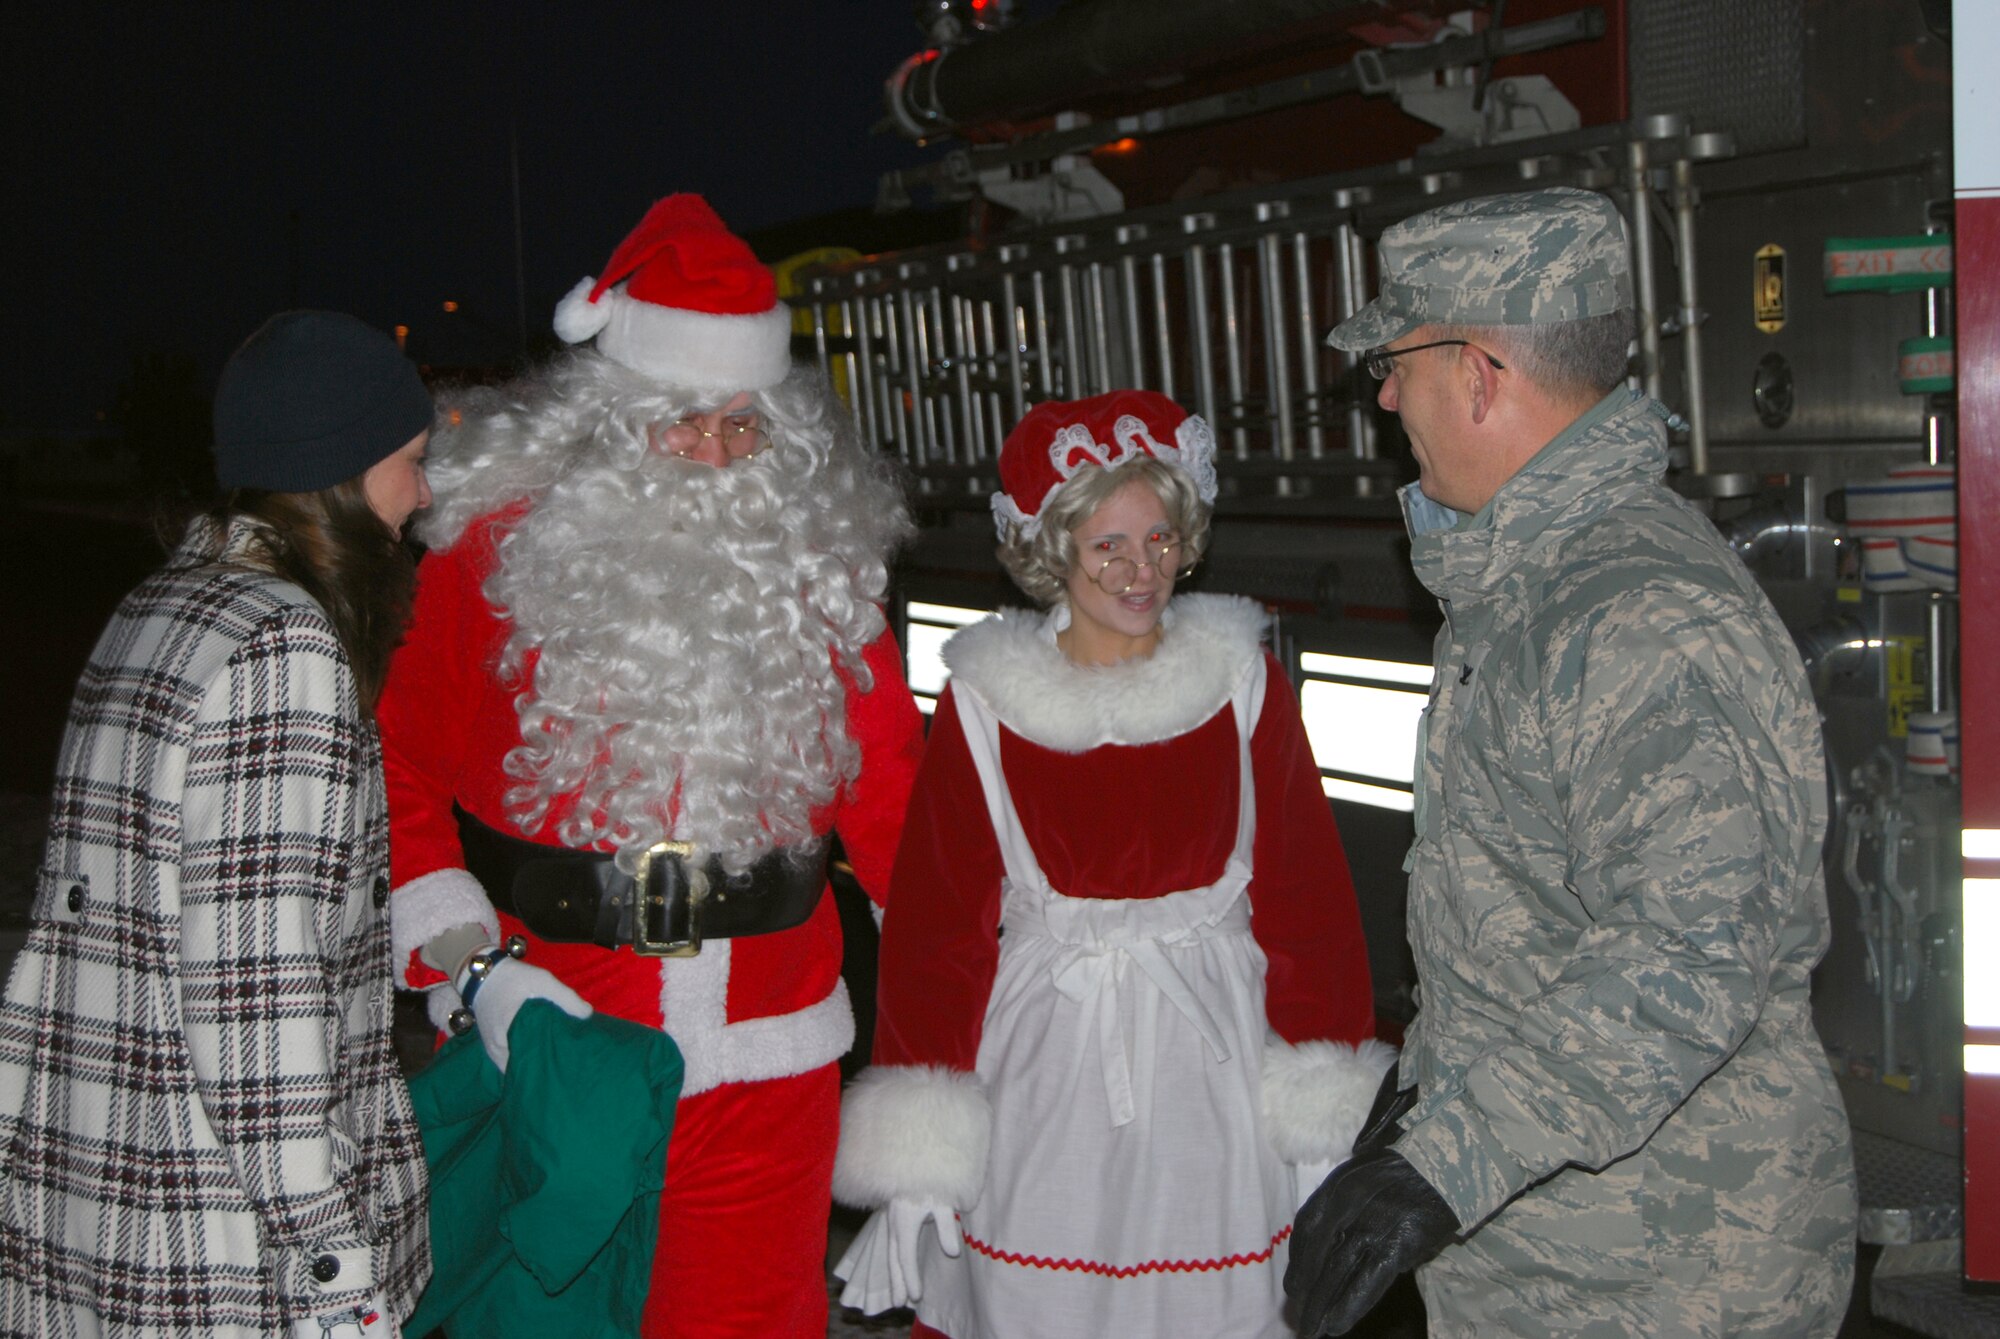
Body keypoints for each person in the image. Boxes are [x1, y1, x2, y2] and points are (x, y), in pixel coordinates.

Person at [1285, 187, 1858, 1337]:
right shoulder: (1534, 582)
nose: (1386, 395)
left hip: (1664, 1272)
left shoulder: (1634, 611)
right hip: (1562, 1252)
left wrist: (1443, 1158)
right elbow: (1530, 907)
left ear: (1481, 374)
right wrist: (1421, 1093)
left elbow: (1682, 956)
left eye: (1396, 362)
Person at [375, 193, 925, 1338]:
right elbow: (399, 773)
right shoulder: (490, 555)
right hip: (561, 1034)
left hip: (773, 1055)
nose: (715, 456)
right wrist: (471, 973)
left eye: (743, 426)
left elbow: (894, 814)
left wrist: (962, 1020)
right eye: (681, 422)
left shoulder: (817, 577)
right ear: (610, 417)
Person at [833, 389, 1392, 1339]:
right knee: (1045, 1292)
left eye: (1163, 540)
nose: (1145, 571)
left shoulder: (1237, 678)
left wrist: (1326, 1108)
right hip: (1048, 1057)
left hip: (1211, 1052)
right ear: (1053, 550)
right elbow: (940, 930)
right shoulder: (987, 700)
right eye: (1110, 546)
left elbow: (1307, 896)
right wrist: (918, 1149)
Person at [0, 311, 435, 1338]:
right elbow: (260, 1005)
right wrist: (339, 1281)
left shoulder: (168, 602)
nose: (421, 495)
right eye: (410, 461)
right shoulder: (285, 649)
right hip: (221, 1254)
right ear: (339, 465)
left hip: (102, 1185)